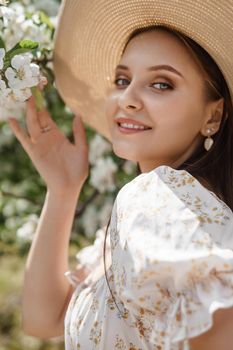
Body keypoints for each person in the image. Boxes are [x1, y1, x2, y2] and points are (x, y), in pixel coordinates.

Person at [7, 0, 233, 349]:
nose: (127, 97)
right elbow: (44, 318)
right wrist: (63, 188)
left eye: (161, 84)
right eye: (122, 79)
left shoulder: (155, 197)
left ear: (214, 116)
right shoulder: (167, 207)